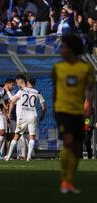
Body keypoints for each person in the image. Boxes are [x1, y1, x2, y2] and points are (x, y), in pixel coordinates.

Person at [52, 34, 95, 194]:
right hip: (62, 110)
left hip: (79, 111)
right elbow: (55, 91)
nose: (61, 50)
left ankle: (69, 180)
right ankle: (65, 180)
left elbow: (90, 89)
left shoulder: (85, 69)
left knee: (77, 148)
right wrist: (55, 109)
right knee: (68, 141)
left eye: (63, 47)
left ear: (72, 49)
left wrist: (88, 107)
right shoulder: (57, 68)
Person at [5, 75, 46, 161]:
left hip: (23, 116)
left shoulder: (22, 90)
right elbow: (44, 107)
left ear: (27, 83)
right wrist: (42, 115)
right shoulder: (38, 92)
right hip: (33, 115)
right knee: (32, 137)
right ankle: (28, 157)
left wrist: (8, 92)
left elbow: (12, 101)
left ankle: (8, 156)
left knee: (16, 136)